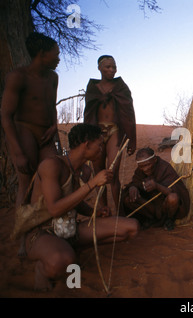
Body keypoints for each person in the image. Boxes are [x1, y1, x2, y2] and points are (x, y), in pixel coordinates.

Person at [11, 123, 139, 291]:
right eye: (99, 145)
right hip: (42, 232)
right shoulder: (51, 165)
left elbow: (74, 203)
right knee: (62, 261)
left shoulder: (80, 170)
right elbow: (55, 209)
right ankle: (43, 268)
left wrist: (95, 211)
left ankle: (69, 247)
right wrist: (93, 184)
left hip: (69, 229)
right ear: (86, 145)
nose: (102, 149)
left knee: (131, 228)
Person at [1, 32, 60, 210]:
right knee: (26, 184)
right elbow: (6, 115)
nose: (58, 58)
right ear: (42, 54)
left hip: (46, 135)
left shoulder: (52, 78)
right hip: (24, 131)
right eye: (55, 54)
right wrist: (18, 152)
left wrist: (55, 125)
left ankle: (48, 229)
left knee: (55, 174)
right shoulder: (18, 77)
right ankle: (24, 235)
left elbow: (52, 106)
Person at [84, 55, 137, 211]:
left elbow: (129, 113)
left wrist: (132, 140)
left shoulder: (121, 87)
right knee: (99, 175)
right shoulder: (93, 88)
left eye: (114, 67)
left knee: (112, 174)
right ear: (99, 68)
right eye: (108, 67)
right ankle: (103, 211)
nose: (112, 70)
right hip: (96, 132)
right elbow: (88, 114)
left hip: (115, 130)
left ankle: (120, 214)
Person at [122, 147, 190, 231]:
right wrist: (133, 187)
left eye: (147, 165)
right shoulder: (140, 170)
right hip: (150, 206)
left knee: (173, 198)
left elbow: (173, 191)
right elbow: (135, 182)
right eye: (142, 166)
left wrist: (157, 186)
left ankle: (168, 220)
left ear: (154, 160)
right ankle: (149, 219)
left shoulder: (165, 168)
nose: (145, 169)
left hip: (164, 207)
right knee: (128, 199)